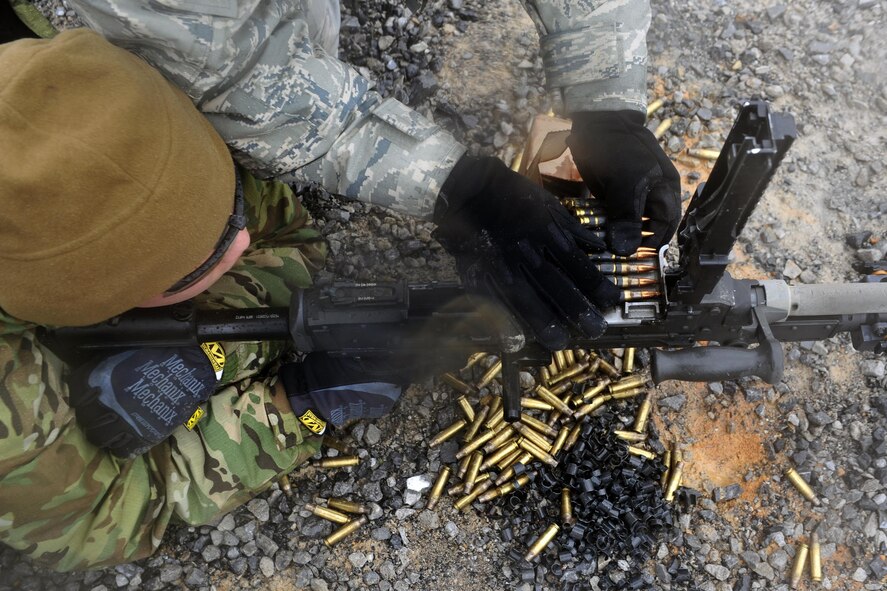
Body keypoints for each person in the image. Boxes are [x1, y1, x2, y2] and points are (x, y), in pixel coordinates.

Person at [0, 0, 680, 571]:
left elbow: (276, 234)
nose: (241, 240)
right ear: (65, 304)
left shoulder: (85, 115)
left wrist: (604, 103)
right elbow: (103, 518)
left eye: (223, 210)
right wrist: (295, 402)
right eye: (192, 261)